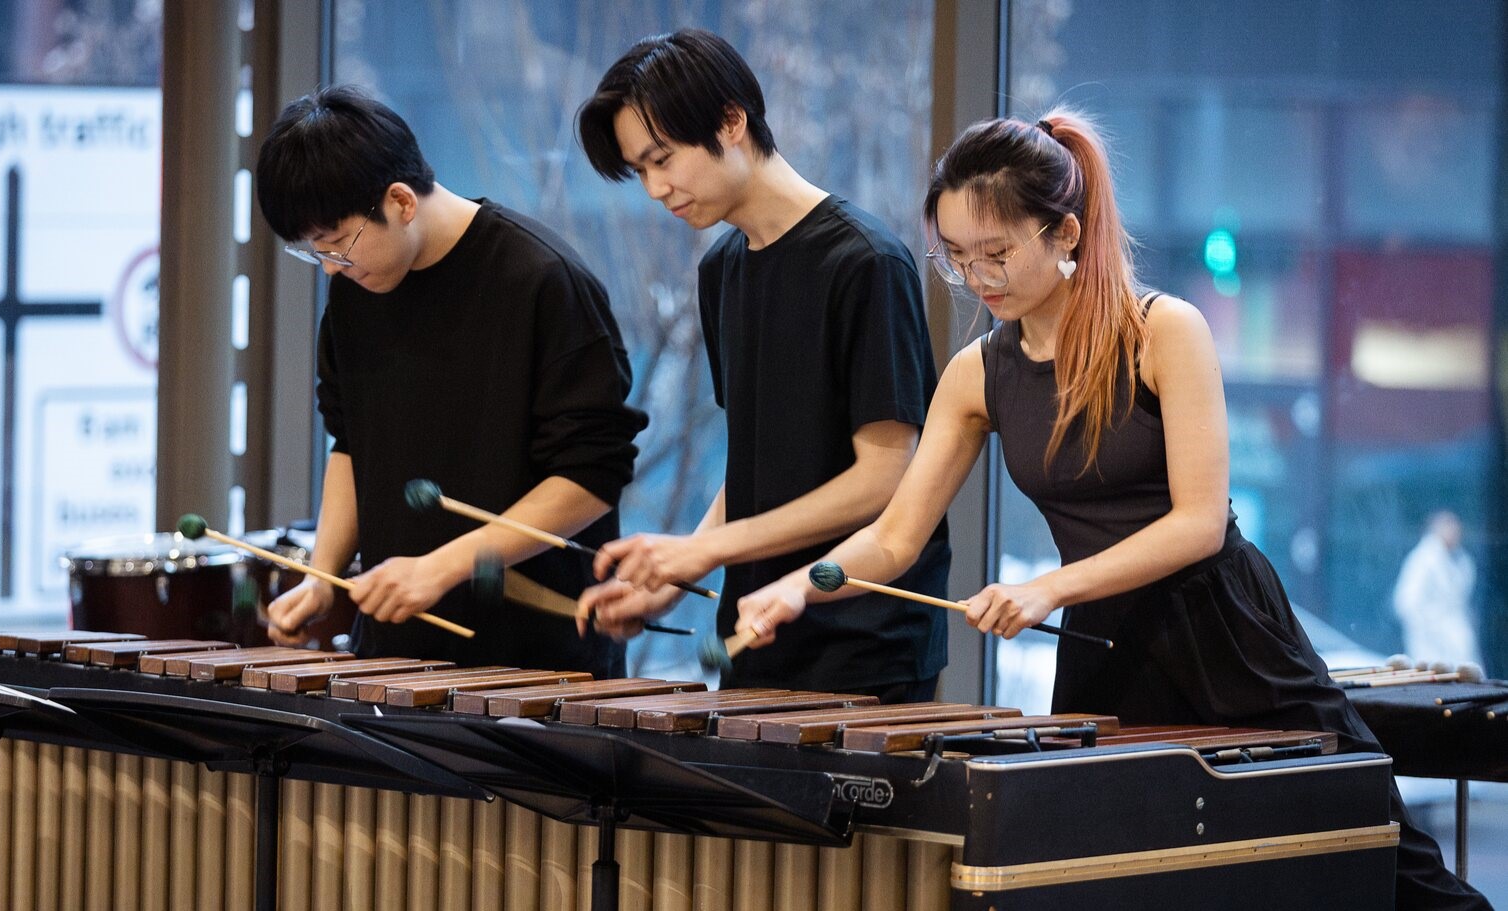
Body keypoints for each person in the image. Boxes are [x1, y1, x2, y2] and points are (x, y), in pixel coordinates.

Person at [734, 110, 1491, 909]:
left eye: (997, 253)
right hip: (1105, 649)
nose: (979, 278)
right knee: (1115, 878)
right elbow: (895, 536)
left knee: (1384, 860)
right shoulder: (977, 373)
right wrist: (799, 588)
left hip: (1230, 634)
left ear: (1064, 233)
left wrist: (1051, 588)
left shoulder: (1164, 331)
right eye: (957, 258)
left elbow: (1200, 524)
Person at [572, 29, 950, 703]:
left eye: (663, 159)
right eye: (641, 172)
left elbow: (885, 476)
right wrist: (672, 577)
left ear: (731, 120)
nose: (656, 188)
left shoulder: (865, 262)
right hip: (753, 632)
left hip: (863, 642)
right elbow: (751, 469)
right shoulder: (722, 270)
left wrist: (708, 552)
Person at [254, 86, 647, 677]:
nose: (334, 267)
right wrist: (323, 576)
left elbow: (592, 478)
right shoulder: (355, 296)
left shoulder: (542, 282)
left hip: (536, 666)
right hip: (392, 660)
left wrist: (443, 566)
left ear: (401, 201)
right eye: (316, 253)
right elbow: (352, 442)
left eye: (338, 246)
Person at [1393, 510, 1482, 667]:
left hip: (1457, 638)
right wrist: (1427, 628)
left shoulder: (1461, 559)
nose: (1455, 532)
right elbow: (1405, 602)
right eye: (1449, 527)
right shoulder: (1422, 559)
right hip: (1430, 642)